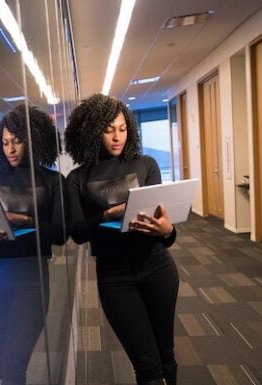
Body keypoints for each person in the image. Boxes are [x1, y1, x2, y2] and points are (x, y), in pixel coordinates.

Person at [64, 94, 178, 385]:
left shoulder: (146, 164)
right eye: (109, 129)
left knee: (166, 355)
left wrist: (168, 231)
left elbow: (163, 230)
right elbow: (77, 233)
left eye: (123, 128)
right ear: (91, 131)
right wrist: (105, 217)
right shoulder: (77, 178)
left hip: (157, 268)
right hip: (115, 277)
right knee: (146, 364)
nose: (118, 137)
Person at [0, 104, 66, 384]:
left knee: (14, 364)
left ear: (33, 139)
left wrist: (19, 219)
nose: (10, 149)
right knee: (0, 363)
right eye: (5, 142)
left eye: (17, 141)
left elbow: (60, 234)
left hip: (32, 279)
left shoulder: (51, 180)